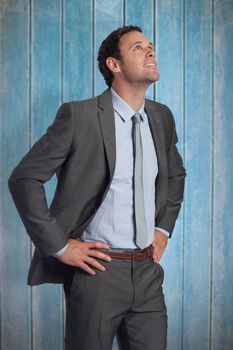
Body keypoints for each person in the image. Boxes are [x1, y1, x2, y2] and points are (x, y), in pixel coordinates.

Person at [8, 25, 186, 350]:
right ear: (113, 65)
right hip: (97, 274)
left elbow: (175, 176)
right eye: (137, 47)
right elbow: (24, 178)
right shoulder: (80, 117)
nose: (150, 51)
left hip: (148, 273)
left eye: (151, 46)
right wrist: (61, 246)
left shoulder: (162, 117)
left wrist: (163, 229)